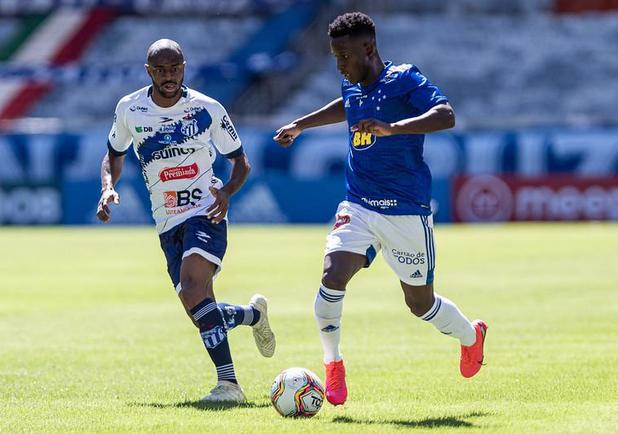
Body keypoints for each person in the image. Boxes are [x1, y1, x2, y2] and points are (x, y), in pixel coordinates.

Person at [273, 12, 487, 406]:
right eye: (335, 56)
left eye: (344, 56)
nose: (340, 64)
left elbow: (447, 115)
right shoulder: (353, 85)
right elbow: (347, 104)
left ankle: (471, 336)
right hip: (359, 204)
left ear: (368, 48)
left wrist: (394, 128)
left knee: (420, 304)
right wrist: (301, 124)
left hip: (406, 210)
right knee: (332, 275)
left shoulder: (404, 79)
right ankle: (332, 365)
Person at [96, 39, 275, 403]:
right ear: (148, 72)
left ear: (184, 67)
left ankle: (229, 386)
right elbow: (113, 153)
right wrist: (107, 188)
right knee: (200, 314)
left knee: (194, 287)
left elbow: (240, 161)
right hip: (166, 222)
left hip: (204, 212)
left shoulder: (206, 109)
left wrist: (226, 192)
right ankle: (251, 315)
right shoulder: (130, 109)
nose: (168, 76)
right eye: (160, 70)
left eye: (174, 68)